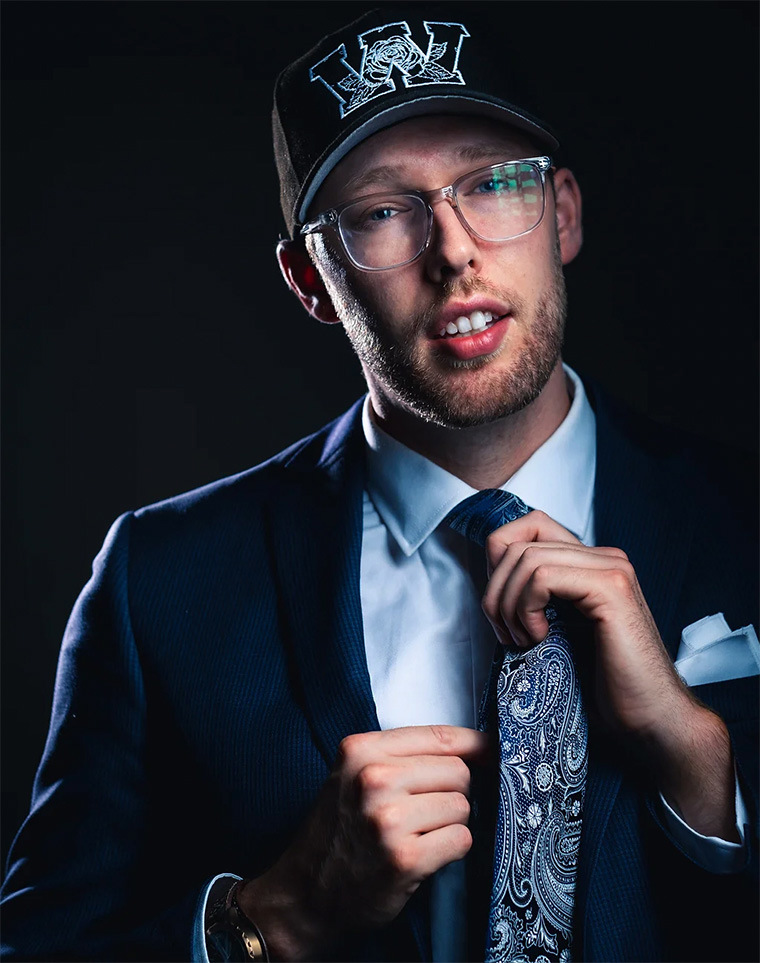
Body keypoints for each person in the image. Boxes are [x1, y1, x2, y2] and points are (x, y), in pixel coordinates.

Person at [1, 5, 757, 962]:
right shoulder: (161, 583)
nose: (455, 251)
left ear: (562, 212)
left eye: (493, 183)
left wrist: (703, 764)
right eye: (383, 212)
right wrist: (274, 917)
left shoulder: (741, 519)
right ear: (311, 281)